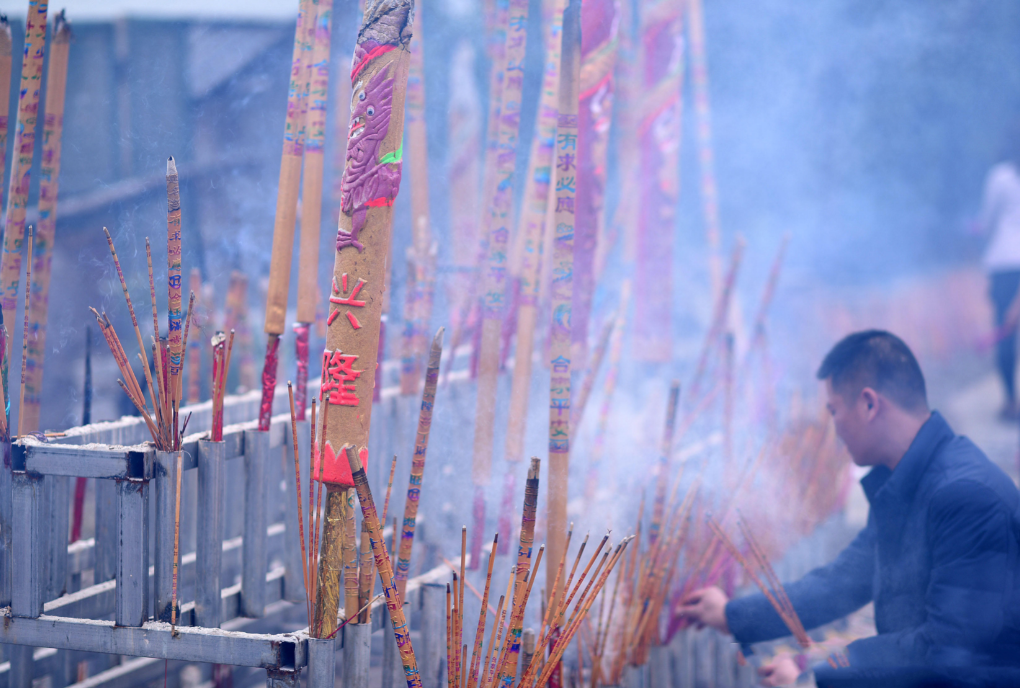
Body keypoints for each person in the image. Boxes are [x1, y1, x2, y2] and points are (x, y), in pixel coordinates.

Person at [679, 330, 1020, 688]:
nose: (835, 428)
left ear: (869, 404)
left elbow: (948, 651)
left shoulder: (966, 496)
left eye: (834, 410)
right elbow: (841, 583)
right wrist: (733, 616)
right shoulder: (906, 481)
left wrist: (816, 678)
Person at [976, 137, 1020, 420]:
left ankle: (1010, 401)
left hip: (1005, 263)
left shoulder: (1001, 175)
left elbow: (987, 221)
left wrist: (977, 230)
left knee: (1006, 332)